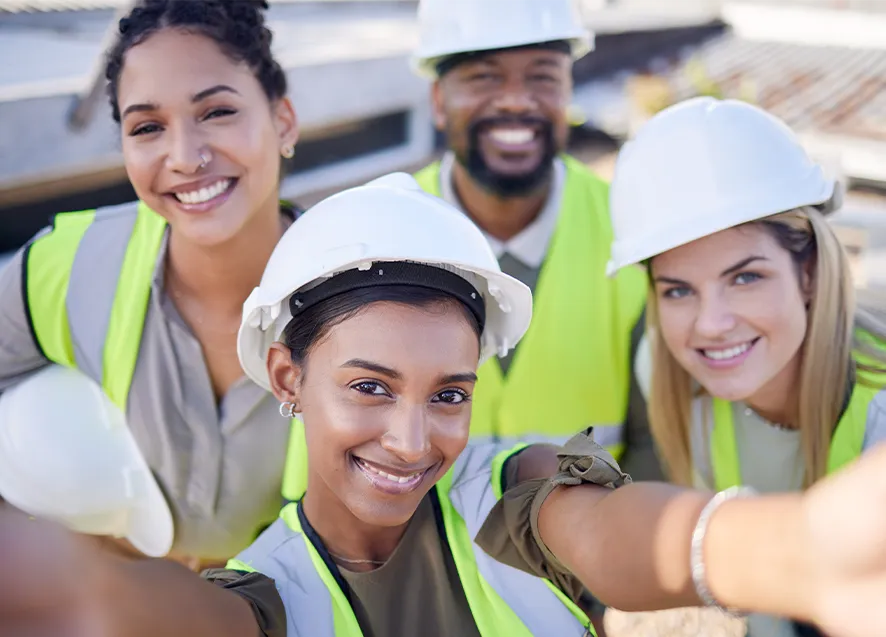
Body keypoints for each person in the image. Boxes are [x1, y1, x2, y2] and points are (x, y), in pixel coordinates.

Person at [6, 173, 886, 637]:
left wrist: (797, 550)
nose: (414, 438)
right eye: (369, 386)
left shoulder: (510, 488)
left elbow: (615, 533)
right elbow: (144, 614)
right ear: (286, 377)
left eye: (450, 393)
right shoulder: (262, 592)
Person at [0, 0, 301, 567]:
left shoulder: (358, 291)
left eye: (216, 112)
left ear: (282, 120)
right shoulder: (66, 268)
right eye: (147, 127)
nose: (185, 157)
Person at [606, 96, 886, 636]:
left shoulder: (879, 412)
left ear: (808, 273)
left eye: (745, 277)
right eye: (679, 290)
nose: (711, 324)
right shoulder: (662, 369)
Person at [405, 0, 658, 480]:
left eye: (542, 77)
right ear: (438, 101)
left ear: (568, 91)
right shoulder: (378, 231)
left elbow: (656, 443)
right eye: (484, 77)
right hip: (412, 552)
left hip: (586, 549)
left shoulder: (634, 229)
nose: (517, 101)